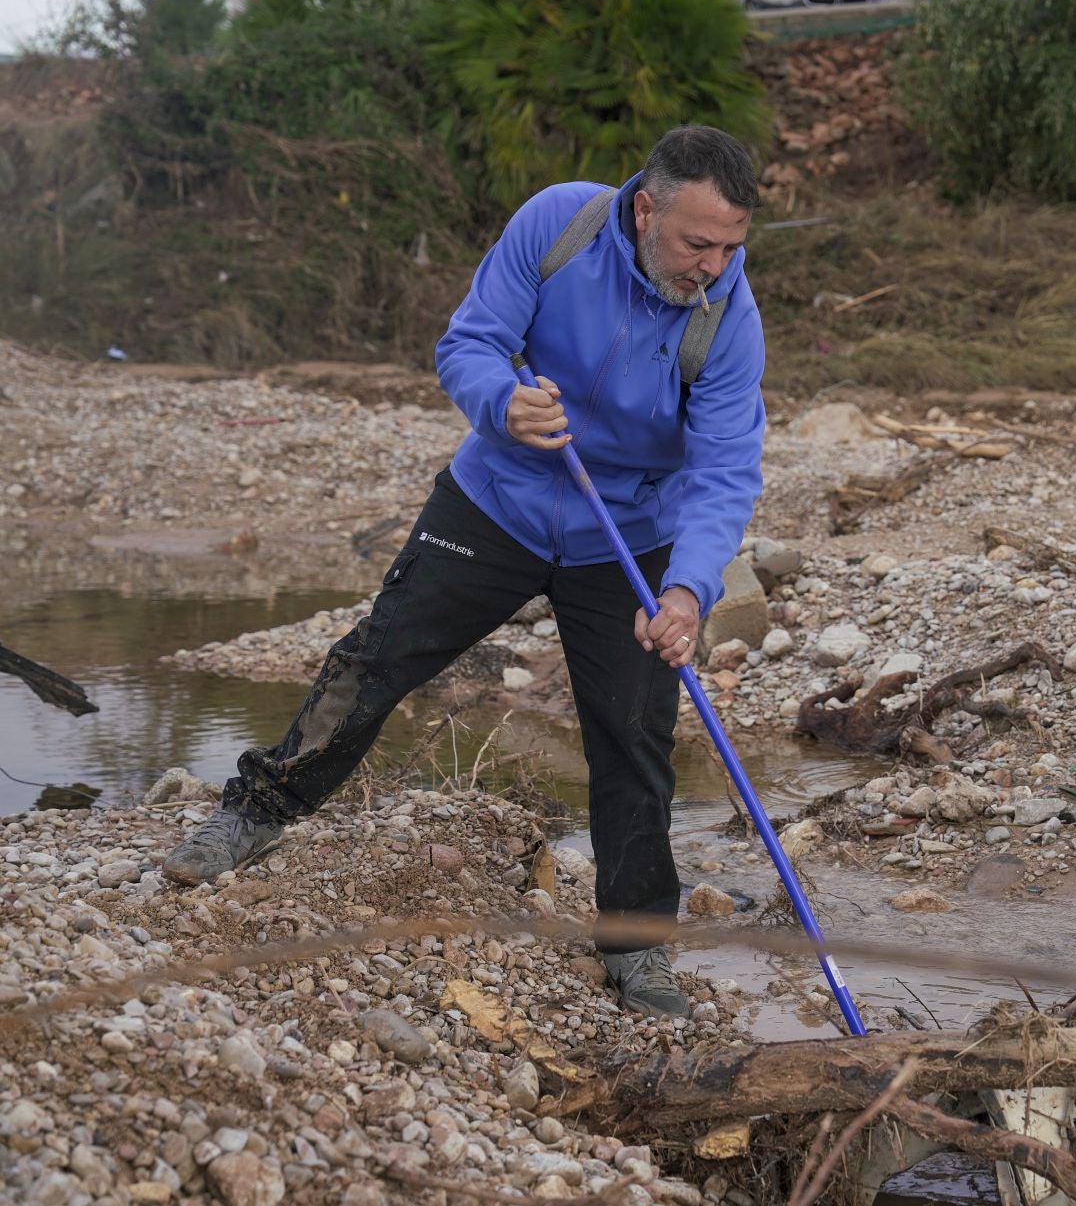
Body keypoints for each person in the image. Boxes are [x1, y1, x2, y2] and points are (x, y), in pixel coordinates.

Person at [160, 126, 769, 1018]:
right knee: (381, 654)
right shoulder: (560, 224)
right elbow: (470, 344)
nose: (712, 265)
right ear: (646, 209)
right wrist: (503, 403)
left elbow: (724, 471)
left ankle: (638, 952)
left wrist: (687, 589)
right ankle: (254, 811)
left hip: (627, 535)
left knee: (634, 738)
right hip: (499, 499)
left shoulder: (728, 316)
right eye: (696, 243)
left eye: (730, 247)